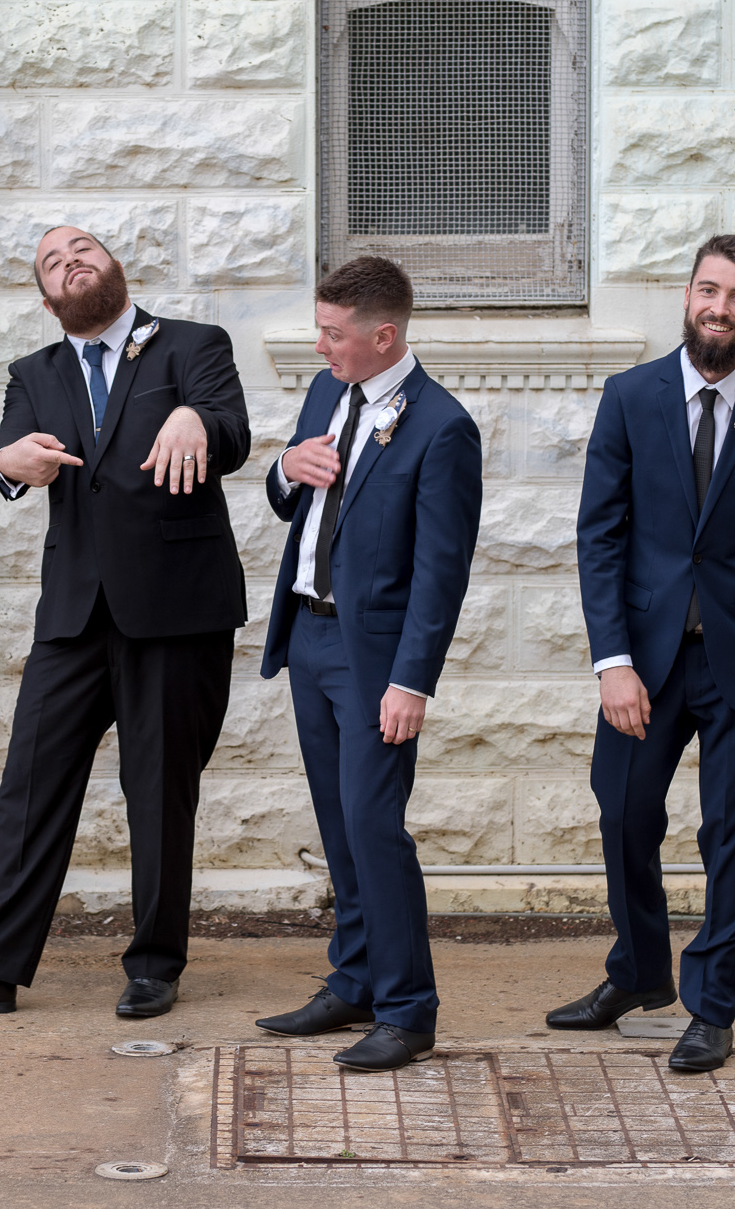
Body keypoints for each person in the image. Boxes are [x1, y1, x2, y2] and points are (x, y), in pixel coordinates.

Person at [0, 226, 251, 1022]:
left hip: (175, 609)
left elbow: (232, 428)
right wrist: (4, 465)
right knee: (30, 784)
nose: (71, 259)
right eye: (53, 260)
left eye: (83, 248)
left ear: (113, 267)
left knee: (158, 792)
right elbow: (2, 447)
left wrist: (194, 419)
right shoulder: (34, 372)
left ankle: (154, 963)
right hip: (75, 611)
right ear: (48, 299)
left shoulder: (192, 346)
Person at [550, 234, 735, 1071]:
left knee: (732, 833)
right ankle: (639, 972)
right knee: (624, 812)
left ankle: (711, 1001)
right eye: (709, 290)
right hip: (642, 658)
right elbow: (598, 536)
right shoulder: (631, 397)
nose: (721, 307)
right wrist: (612, 660)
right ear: (687, 295)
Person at [251, 257, 482, 1073]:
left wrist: (411, 680)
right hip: (311, 640)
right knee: (338, 823)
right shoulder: (327, 393)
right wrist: (286, 468)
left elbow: (440, 573)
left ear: (384, 336)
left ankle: (408, 1008)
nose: (320, 346)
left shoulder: (442, 428)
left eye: (333, 333)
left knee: (375, 825)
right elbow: (290, 499)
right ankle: (352, 979)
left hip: (376, 661)